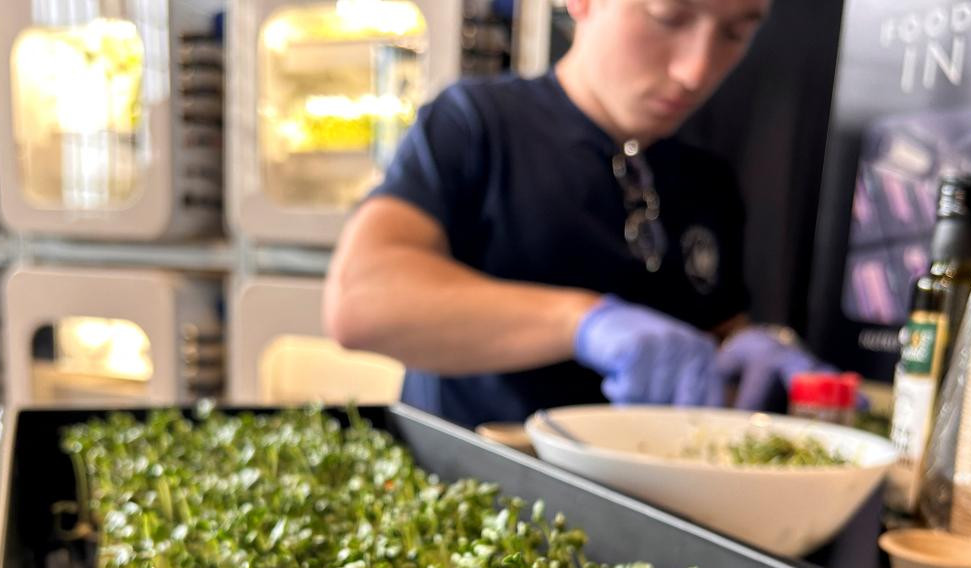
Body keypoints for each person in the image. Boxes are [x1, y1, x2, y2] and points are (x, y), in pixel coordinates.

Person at [323, 0, 827, 429]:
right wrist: (583, 323)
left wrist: (752, 353)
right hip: (474, 500)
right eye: (668, 17)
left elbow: (712, 334)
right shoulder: (477, 125)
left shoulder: (708, 179)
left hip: (644, 511)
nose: (696, 71)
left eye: (736, 33)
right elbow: (361, 301)